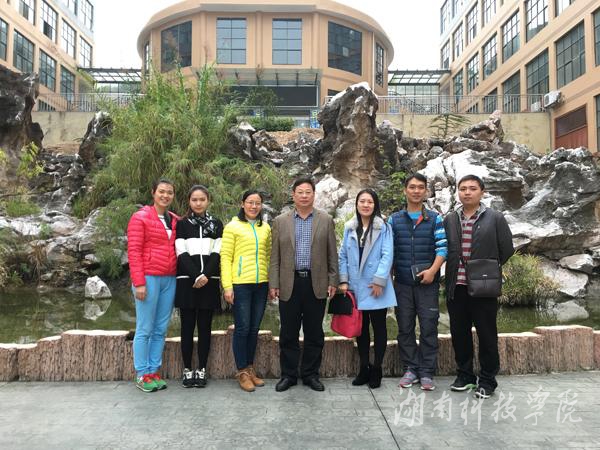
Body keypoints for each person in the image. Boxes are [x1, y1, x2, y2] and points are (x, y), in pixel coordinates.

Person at [444, 174, 514, 399]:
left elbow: (507, 249)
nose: (467, 192)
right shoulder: (451, 219)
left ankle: (487, 380)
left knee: (487, 335)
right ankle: (465, 376)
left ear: (482, 192)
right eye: (463, 188)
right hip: (457, 285)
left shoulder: (495, 218)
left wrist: (487, 270)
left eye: (472, 188)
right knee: (459, 334)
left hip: (484, 287)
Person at [269, 176, 339, 392]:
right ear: (293, 195)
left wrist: (333, 280)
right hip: (288, 283)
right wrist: (273, 283)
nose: (304, 196)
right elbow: (275, 257)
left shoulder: (325, 220)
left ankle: (310, 374)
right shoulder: (280, 221)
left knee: (314, 332)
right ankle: (288, 375)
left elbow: (332, 254)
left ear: (314, 195)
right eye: (300, 192)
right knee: (288, 332)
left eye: (308, 192)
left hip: (316, 283)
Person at [389, 173, 447, 392]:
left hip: (428, 284)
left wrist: (432, 271)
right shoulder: (394, 220)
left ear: (426, 191)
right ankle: (411, 368)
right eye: (412, 187)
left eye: (420, 187)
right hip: (402, 284)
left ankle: (427, 371)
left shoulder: (435, 219)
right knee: (405, 327)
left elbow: (443, 248)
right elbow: (388, 251)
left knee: (429, 327)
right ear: (405, 190)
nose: (416, 191)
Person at [338, 189, 396, 389]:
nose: (365, 205)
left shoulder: (384, 227)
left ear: (375, 205)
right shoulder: (349, 228)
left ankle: (377, 369)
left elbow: (387, 255)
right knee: (361, 329)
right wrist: (343, 280)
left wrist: (379, 281)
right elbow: (343, 255)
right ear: (356, 204)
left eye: (370, 202)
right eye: (362, 201)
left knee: (379, 327)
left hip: (374, 286)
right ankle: (364, 367)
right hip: (356, 286)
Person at [127, 178, 178, 393]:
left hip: (170, 279)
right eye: (162, 191)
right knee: (145, 328)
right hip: (148, 278)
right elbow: (134, 251)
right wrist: (139, 283)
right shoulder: (140, 217)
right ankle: (142, 373)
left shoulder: (174, 220)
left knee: (160, 329)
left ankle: (154, 371)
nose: (165, 195)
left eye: (169, 192)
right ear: (153, 193)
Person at [220, 190, 271, 392]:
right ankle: (241, 372)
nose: (254, 206)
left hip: (261, 284)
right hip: (240, 284)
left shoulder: (265, 228)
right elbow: (226, 257)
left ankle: (250, 369)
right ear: (242, 204)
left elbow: (268, 255)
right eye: (250, 202)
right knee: (242, 328)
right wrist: (227, 286)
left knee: (254, 329)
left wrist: (270, 281)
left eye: (257, 203)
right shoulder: (232, 227)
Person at [174, 185, 223, 388]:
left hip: (209, 283)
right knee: (186, 328)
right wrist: (196, 275)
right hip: (187, 281)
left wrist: (205, 276)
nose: (198, 203)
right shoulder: (182, 224)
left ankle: (201, 368)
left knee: (205, 328)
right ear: (189, 201)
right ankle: (187, 369)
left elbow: (218, 252)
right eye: (194, 199)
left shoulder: (216, 224)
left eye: (202, 199)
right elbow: (181, 252)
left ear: (208, 200)